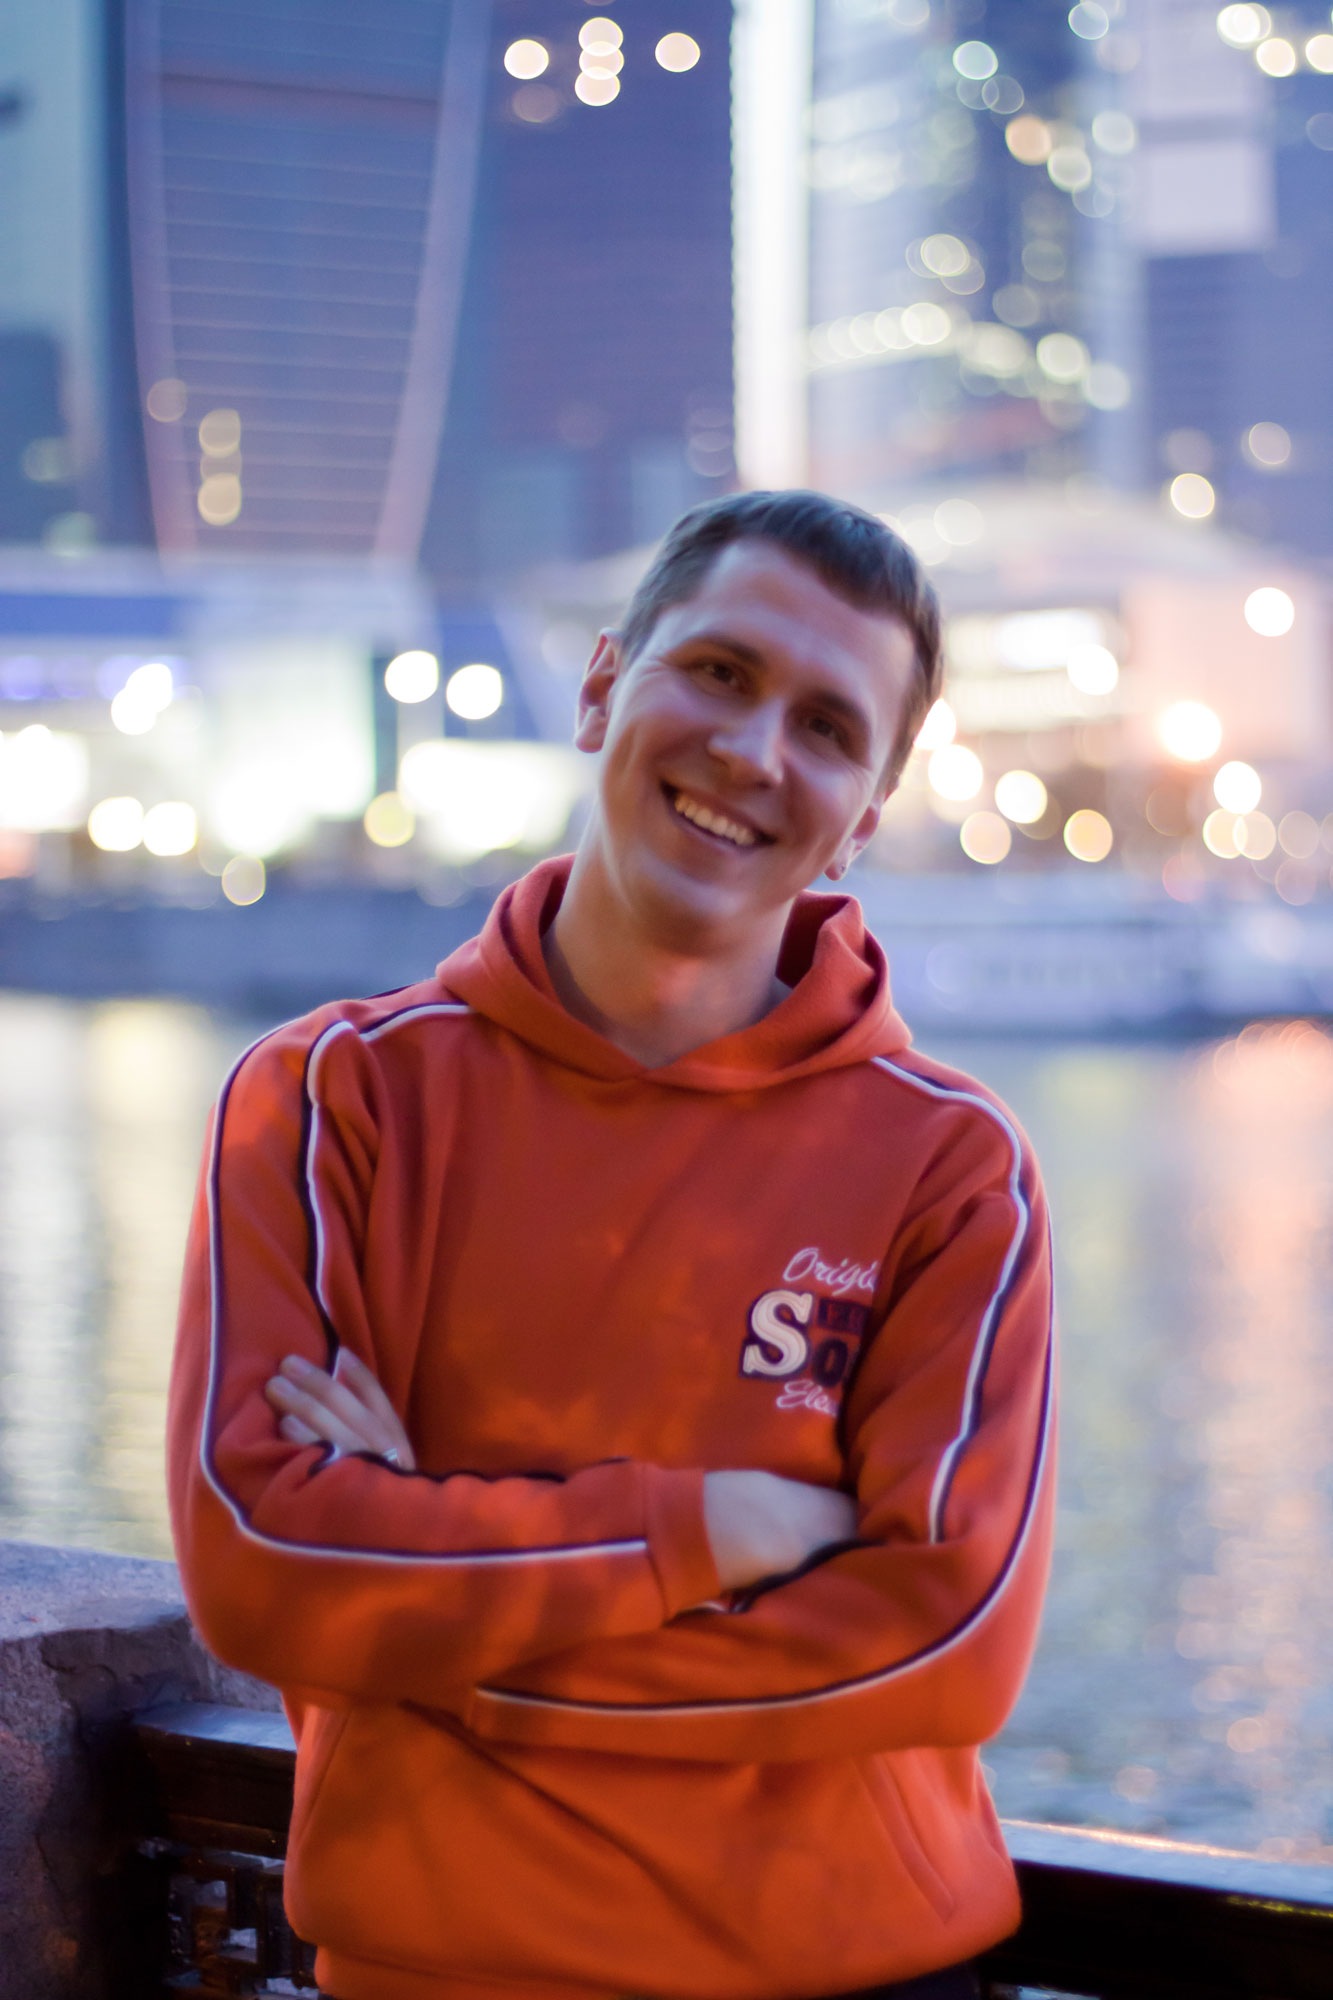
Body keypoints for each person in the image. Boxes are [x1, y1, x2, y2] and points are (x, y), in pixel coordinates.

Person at [167, 490, 1055, 2000]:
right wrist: (708, 1531)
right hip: (439, 1970)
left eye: (826, 726)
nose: (753, 751)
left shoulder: (953, 1168)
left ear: (865, 812)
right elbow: (266, 1567)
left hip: (856, 1975)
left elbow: (944, 1645)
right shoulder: (329, 1100)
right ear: (601, 687)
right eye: (717, 671)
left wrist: (433, 1634)